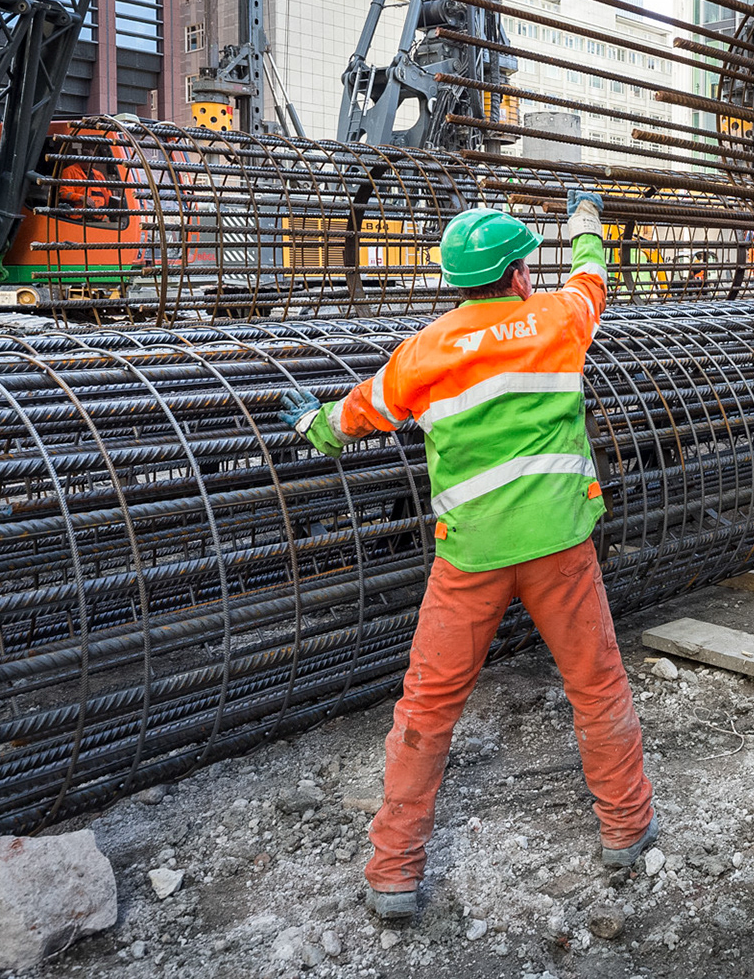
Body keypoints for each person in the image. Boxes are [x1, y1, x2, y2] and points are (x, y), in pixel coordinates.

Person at [280, 190, 655, 924]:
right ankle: (626, 828)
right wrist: (583, 220)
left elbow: (357, 416)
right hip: (559, 549)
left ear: (458, 281)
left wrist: (310, 423)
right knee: (597, 686)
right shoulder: (557, 320)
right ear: (519, 273)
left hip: (472, 558)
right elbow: (591, 276)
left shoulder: (425, 352)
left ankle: (393, 873)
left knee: (427, 706)